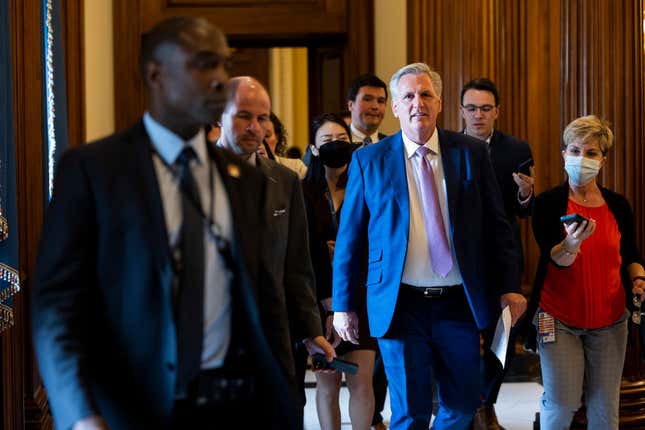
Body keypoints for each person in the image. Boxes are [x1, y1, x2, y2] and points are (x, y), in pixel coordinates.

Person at [31, 17, 301, 430]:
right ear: (156, 74)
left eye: (223, 65)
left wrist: (284, 406)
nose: (218, 79)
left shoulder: (246, 182)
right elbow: (57, 307)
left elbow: (266, 305)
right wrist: (81, 414)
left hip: (235, 406)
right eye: (203, 65)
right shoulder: (94, 171)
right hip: (132, 408)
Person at [332, 63, 526, 430]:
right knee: (410, 412)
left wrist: (510, 286)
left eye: (425, 95)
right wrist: (343, 305)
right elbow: (349, 239)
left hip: (459, 303)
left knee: (464, 403)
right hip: (400, 305)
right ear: (395, 107)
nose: (417, 103)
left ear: (439, 103)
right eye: (408, 96)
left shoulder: (470, 152)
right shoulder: (369, 160)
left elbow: (498, 228)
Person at [217, 76, 335, 405]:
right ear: (218, 116)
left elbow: (297, 266)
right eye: (243, 116)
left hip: (274, 335)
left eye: (262, 118)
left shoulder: (284, 181)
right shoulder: (189, 177)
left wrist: (311, 330)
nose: (254, 126)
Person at [526, 115, 645, 430]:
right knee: (562, 403)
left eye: (591, 153)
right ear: (564, 154)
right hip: (557, 318)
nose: (582, 158)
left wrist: (639, 278)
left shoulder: (618, 204)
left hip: (610, 321)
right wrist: (572, 243)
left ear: (603, 160)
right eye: (575, 150)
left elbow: (630, 254)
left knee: (605, 410)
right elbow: (556, 260)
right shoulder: (548, 204)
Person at [459, 77, 535, 430]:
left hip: (503, 258)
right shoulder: (448, 148)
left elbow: (525, 211)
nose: (478, 115)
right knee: (459, 338)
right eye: (471, 108)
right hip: (458, 261)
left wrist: (525, 195)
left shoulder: (516, 150)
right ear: (461, 111)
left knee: (501, 340)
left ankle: (486, 404)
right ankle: (465, 405)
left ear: (497, 112)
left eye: (485, 109)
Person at [302, 113, 377, 430]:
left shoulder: (367, 183)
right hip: (318, 296)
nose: (336, 146)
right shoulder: (303, 191)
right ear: (314, 149)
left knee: (361, 380)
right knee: (328, 382)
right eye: (328, 141)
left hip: (360, 293)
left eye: (342, 140)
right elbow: (299, 250)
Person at [258, 111, 308, 179]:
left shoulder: (295, 168)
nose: (260, 142)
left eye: (267, 136)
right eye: (255, 136)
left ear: (277, 138)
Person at [347, 73, 389, 146]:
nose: (375, 106)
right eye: (367, 99)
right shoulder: (338, 142)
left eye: (380, 101)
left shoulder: (393, 146)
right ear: (350, 105)